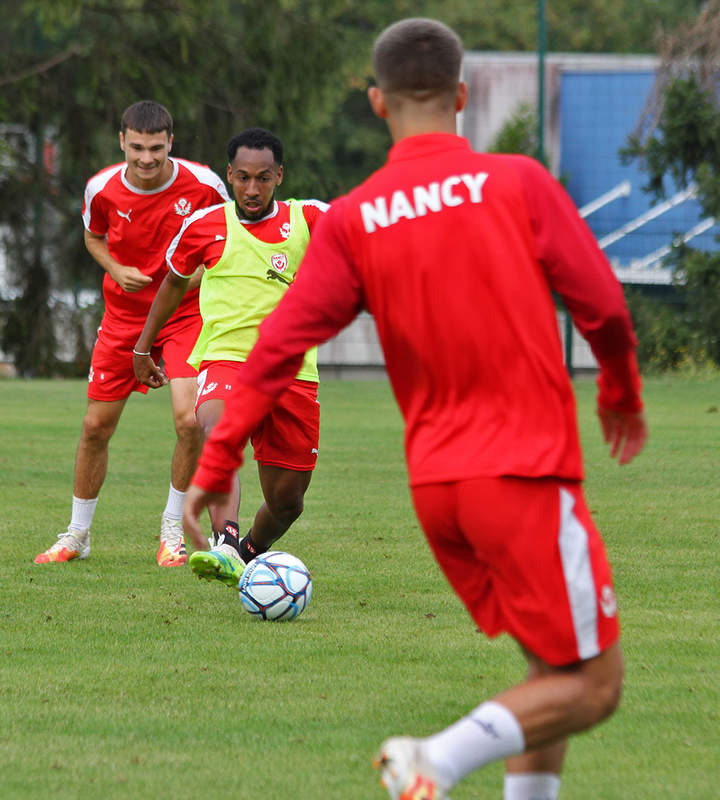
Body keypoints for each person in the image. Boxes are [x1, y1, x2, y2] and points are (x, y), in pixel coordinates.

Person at [180, 19, 647, 800]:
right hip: (524, 474)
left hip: (439, 491)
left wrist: (219, 459)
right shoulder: (519, 182)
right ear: (462, 96)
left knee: (549, 672)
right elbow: (601, 305)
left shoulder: (358, 217)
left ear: (376, 102)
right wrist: (622, 393)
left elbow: (276, 346)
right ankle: (437, 758)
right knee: (595, 685)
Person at [32, 100, 232, 567]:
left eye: (156, 149)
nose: (146, 159)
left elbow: (229, 237)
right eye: (137, 148)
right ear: (122, 141)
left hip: (184, 316)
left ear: (171, 144)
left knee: (189, 421)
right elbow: (93, 237)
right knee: (95, 427)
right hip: (123, 320)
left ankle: (171, 531)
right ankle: (77, 535)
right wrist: (115, 269)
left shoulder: (203, 185)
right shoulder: (100, 189)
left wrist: (190, 280)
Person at [132, 127, 328, 586]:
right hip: (227, 359)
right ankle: (224, 543)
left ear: (279, 176)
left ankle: (247, 552)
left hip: (293, 372)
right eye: (242, 178)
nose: (252, 189)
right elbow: (173, 284)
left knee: (287, 501)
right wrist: (143, 347)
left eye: (263, 178)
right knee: (218, 431)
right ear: (229, 176)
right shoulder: (204, 227)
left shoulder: (308, 220)